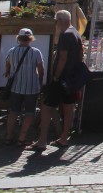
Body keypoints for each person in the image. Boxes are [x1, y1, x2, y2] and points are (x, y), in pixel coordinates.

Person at [27, 10, 83, 151]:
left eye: (56, 21)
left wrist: (56, 76)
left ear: (62, 20)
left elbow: (62, 58)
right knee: (68, 107)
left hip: (61, 78)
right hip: (70, 78)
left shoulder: (66, 35)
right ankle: (64, 137)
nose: (56, 24)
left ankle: (42, 141)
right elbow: (80, 55)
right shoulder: (76, 33)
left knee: (46, 107)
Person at [3, 27, 45, 146]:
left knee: (14, 111)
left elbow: (7, 64)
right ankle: (22, 138)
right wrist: (40, 83)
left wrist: (7, 71)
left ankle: (9, 136)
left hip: (16, 87)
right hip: (31, 87)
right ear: (31, 38)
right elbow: (41, 70)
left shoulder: (12, 51)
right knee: (29, 112)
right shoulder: (36, 52)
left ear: (19, 38)